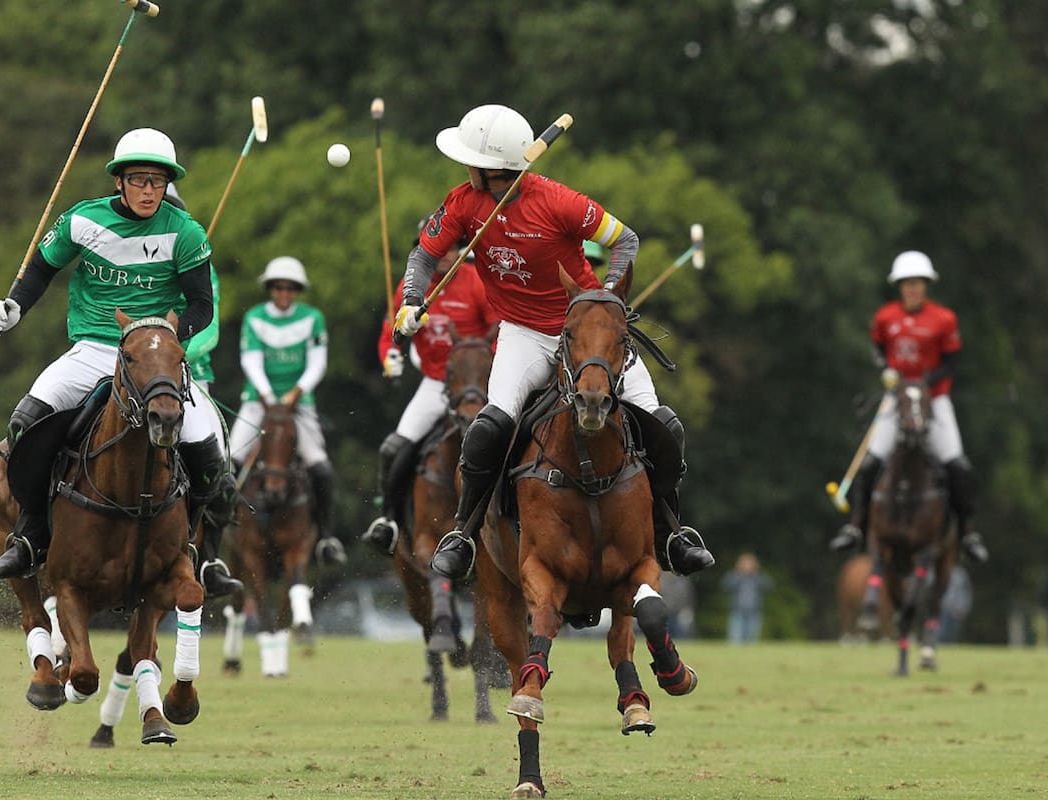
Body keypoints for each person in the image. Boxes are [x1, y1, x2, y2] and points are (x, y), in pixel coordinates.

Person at [392, 103, 714, 581]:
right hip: (523, 334)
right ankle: (464, 533)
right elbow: (424, 254)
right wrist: (413, 299)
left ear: (487, 167)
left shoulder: (557, 200)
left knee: (665, 424)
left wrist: (606, 298)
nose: (464, 168)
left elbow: (625, 239)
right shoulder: (463, 203)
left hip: (585, 328)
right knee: (488, 427)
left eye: (469, 160)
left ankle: (672, 533)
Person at [0, 127, 243, 596]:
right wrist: (15, 306)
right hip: (94, 349)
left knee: (209, 448)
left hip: (156, 357)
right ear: (119, 181)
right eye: (139, 180)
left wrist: (160, 338)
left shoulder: (185, 232)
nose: (149, 190)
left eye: (158, 181)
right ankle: (32, 534)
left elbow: (202, 305)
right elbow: (42, 267)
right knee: (24, 422)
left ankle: (199, 551)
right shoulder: (83, 221)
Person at [829, 251, 989, 564]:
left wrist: (925, 383)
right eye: (906, 284)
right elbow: (877, 347)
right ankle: (855, 528)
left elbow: (952, 361)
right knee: (870, 462)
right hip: (896, 397)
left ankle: (969, 533)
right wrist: (885, 368)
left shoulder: (944, 319)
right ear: (899, 286)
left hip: (935, 399)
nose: (912, 289)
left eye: (917, 283)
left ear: (926, 285)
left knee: (958, 465)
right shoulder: (886, 317)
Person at [362, 221, 499, 555]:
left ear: (461, 250)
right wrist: (390, 357)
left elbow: (500, 330)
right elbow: (389, 335)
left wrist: (482, 369)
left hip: (480, 386)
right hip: (436, 384)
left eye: (451, 247)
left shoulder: (476, 283)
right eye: (436, 248)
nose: (444, 254)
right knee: (392, 448)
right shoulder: (412, 287)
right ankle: (390, 521)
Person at [229, 257, 346, 564]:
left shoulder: (312, 318)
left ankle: (326, 537)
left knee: (320, 466)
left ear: (297, 290)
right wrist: (269, 395)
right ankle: (215, 534)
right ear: (270, 289)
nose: (283, 293)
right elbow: (251, 360)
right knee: (229, 463)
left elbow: (318, 362)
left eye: (289, 288)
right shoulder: (255, 317)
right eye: (278, 287)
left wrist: (295, 392)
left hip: (299, 405)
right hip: (259, 402)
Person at [164, 184, 243, 597]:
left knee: (220, 471)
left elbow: (208, 326)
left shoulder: (198, 259)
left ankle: (210, 558)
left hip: (192, 375)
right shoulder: (124, 258)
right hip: (135, 373)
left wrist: (173, 352)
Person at [721, 552, 772, 643]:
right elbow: (726, 586)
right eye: (745, 564)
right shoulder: (735, 576)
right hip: (737, 610)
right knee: (735, 637)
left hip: (754, 610)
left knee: (752, 637)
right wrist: (738, 575)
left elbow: (768, 587)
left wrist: (756, 574)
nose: (747, 566)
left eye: (749, 564)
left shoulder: (757, 577)